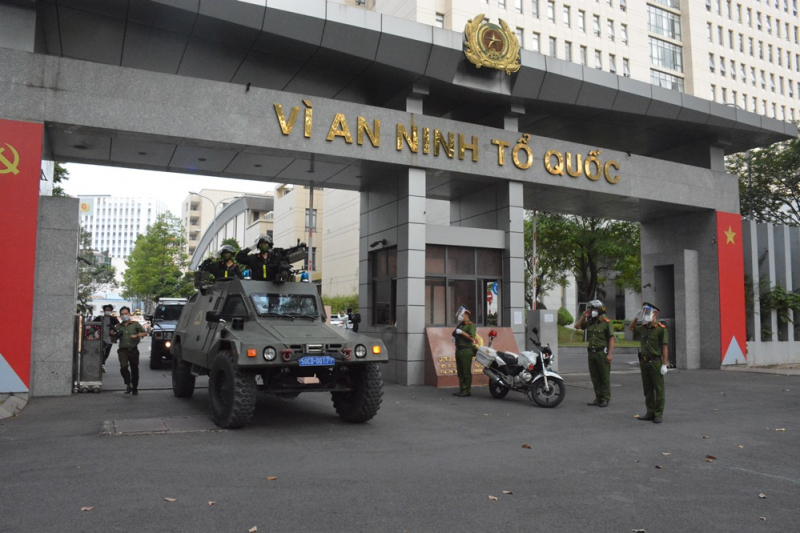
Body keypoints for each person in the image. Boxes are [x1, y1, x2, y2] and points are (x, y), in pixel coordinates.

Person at [629, 302, 669, 423]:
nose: (645, 315)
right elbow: (631, 328)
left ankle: (658, 413)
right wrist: (636, 317)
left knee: (658, 389)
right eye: (644, 313)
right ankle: (650, 412)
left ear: (654, 313)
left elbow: (664, 347)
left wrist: (664, 364)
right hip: (644, 362)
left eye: (647, 313)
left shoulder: (661, 329)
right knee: (648, 389)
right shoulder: (644, 328)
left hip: (655, 361)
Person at [574, 299, 615, 408]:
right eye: (591, 309)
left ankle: (605, 398)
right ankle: (598, 397)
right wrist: (584, 316)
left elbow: (611, 339)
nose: (592, 311)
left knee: (604, 377)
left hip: (602, 352)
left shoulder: (606, 323)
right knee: (595, 377)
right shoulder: (590, 322)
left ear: (600, 310)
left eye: (594, 309)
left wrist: (610, 354)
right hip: (591, 353)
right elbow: (577, 326)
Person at [113, 306, 147, 395]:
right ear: (120, 316)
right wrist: (113, 335)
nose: (124, 315)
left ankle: (135, 387)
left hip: (133, 350)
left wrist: (137, 335)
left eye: (126, 313)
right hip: (122, 350)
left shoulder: (135, 324)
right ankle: (128, 384)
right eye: (122, 314)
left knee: (134, 369)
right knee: (123, 367)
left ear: (129, 314)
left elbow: (145, 333)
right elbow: (113, 339)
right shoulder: (118, 326)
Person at [452, 306, 478, 398]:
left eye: (462, 315)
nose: (460, 316)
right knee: (460, 371)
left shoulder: (471, 326)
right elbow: (454, 333)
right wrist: (454, 335)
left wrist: (462, 333)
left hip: (466, 350)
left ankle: (466, 390)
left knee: (466, 371)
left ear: (466, 315)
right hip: (459, 350)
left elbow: (472, 338)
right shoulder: (460, 325)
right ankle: (462, 389)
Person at [93, 304, 119, 373]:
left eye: (109, 310)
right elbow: (92, 325)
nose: (108, 311)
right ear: (104, 311)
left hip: (110, 338)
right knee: (101, 351)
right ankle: (102, 364)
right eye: (106, 310)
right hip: (101, 338)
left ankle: (102, 363)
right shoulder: (99, 318)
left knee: (107, 353)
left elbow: (118, 327)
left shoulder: (114, 319)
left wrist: (114, 331)